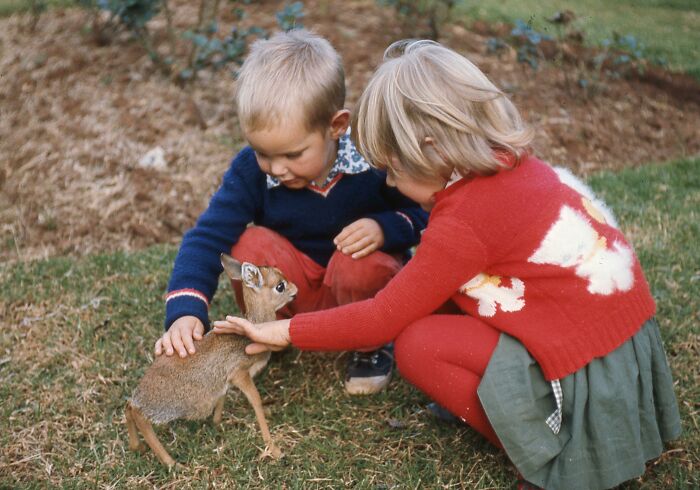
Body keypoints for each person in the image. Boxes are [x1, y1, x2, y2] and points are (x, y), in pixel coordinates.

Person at [213, 40, 682, 490]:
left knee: (417, 345)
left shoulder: (464, 222)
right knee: (436, 308)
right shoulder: (511, 164)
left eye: (394, 171)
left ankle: (551, 453)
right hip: (617, 341)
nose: (390, 182)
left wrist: (285, 332)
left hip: (582, 362)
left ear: (432, 149)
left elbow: (381, 317)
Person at [154, 30, 428, 396]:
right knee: (250, 243)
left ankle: (370, 346)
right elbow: (207, 237)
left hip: (356, 292)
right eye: (263, 153)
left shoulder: (372, 160)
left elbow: (425, 215)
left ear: (336, 126)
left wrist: (385, 227)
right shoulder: (250, 171)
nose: (276, 168)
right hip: (291, 287)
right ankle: (267, 332)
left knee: (362, 264)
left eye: (293, 154)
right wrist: (186, 310)